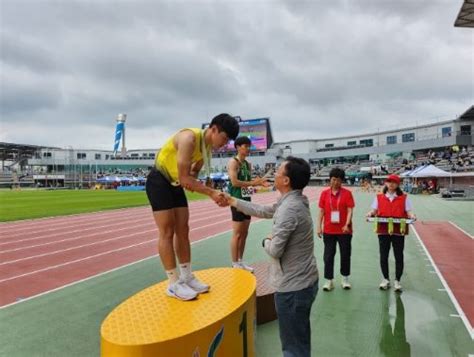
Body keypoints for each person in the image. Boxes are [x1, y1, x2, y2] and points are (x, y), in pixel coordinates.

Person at [226, 157, 318, 357]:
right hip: (303, 282)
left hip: (293, 288)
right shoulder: (294, 200)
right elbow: (264, 210)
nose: (274, 174)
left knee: (293, 347)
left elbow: (275, 250)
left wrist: (266, 240)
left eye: (278, 171)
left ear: (286, 181)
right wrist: (232, 201)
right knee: (299, 338)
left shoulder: (289, 209)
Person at [146, 113, 239, 301]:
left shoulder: (207, 147)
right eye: (225, 138)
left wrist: (208, 186)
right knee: (167, 230)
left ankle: (187, 276)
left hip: (175, 183)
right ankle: (173, 284)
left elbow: (192, 174)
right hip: (159, 180)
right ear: (214, 129)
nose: (225, 143)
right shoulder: (189, 139)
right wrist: (211, 193)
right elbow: (185, 178)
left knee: (183, 228)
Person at [367, 174, 416, 292]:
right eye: (389, 182)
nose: (391, 184)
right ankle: (385, 279)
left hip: (399, 231)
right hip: (383, 231)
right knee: (383, 256)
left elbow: (409, 212)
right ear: (386, 183)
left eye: (393, 182)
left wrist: (412, 215)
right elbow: (374, 211)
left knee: (398, 256)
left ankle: (397, 281)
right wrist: (370, 214)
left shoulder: (404, 197)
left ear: (398, 184)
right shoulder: (379, 197)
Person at [227, 136, 268, 272]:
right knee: (237, 233)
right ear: (238, 147)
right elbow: (234, 182)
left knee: (245, 233)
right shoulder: (233, 163)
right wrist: (253, 183)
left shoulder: (247, 165)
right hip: (236, 201)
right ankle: (234, 263)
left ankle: (240, 261)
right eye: (245, 146)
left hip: (247, 201)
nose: (248, 148)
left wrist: (258, 185)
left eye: (249, 146)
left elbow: (247, 186)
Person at [317, 167, 355, 291]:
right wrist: (318, 226)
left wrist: (346, 224)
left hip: (344, 231)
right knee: (328, 256)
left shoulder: (347, 193)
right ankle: (329, 280)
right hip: (328, 230)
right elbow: (321, 211)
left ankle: (345, 279)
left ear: (342, 181)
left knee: (345, 255)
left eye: (338, 180)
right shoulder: (324, 194)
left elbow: (350, 210)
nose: (336, 182)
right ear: (330, 180)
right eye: (333, 179)